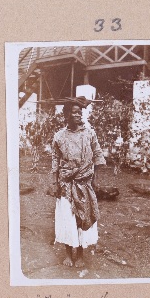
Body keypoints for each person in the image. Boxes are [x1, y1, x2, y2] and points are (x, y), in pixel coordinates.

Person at [50, 98, 105, 268]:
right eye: (74, 112)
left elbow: (97, 156)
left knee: (83, 217)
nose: (78, 115)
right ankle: (68, 254)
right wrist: (55, 183)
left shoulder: (89, 133)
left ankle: (80, 254)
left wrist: (94, 181)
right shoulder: (59, 136)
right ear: (66, 115)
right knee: (68, 218)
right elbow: (55, 160)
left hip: (85, 182)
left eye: (80, 112)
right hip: (66, 183)